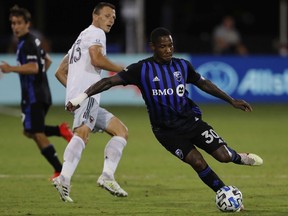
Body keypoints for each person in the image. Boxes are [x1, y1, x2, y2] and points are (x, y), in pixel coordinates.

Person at [67, 27, 263, 209]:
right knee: (197, 162)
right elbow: (108, 81)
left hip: (192, 123)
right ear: (153, 47)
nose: (168, 50)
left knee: (224, 157)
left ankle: (238, 157)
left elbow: (204, 84)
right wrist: (81, 97)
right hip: (167, 132)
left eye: (170, 45)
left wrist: (231, 101)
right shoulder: (141, 69)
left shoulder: (182, 66)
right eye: (163, 46)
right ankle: (224, 192)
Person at [52, 2, 129, 202]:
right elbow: (96, 59)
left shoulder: (81, 37)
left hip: (85, 97)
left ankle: (107, 176)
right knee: (82, 134)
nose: (111, 19)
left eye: (113, 16)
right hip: (87, 96)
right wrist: (121, 69)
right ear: (95, 16)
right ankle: (64, 178)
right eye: (107, 15)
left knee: (121, 131)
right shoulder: (96, 34)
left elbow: (59, 72)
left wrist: (74, 94)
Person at [0, 5, 73, 180]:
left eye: (18, 23)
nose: (15, 27)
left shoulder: (28, 44)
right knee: (29, 131)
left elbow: (34, 67)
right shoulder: (32, 41)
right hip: (38, 93)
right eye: (12, 23)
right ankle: (60, 130)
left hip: (34, 96)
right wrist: (39, 78)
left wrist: (10, 68)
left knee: (37, 133)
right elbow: (46, 61)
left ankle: (60, 171)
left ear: (27, 24)